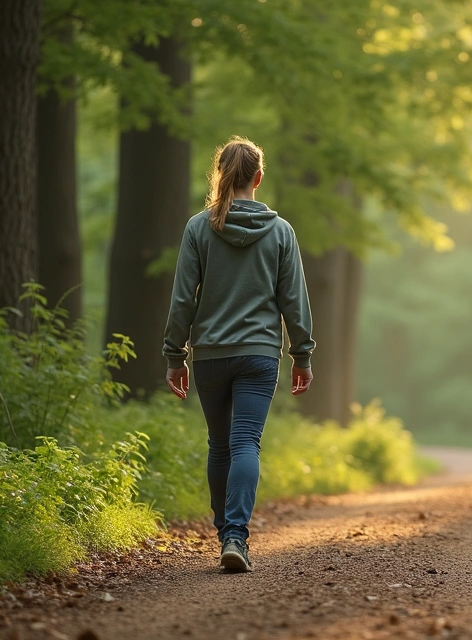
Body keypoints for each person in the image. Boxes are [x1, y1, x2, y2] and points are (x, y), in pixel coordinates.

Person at [162, 136, 315, 573]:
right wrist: (301, 354)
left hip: (210, 355)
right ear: (258, 178)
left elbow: (181, 301)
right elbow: (294, 301)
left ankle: (224, 534)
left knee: (220, 445)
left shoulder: (199, 228)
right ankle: (236, 536)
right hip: (259, 354)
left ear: (220, 177)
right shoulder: (281, 231)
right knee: (246, 441)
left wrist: (175, 354)